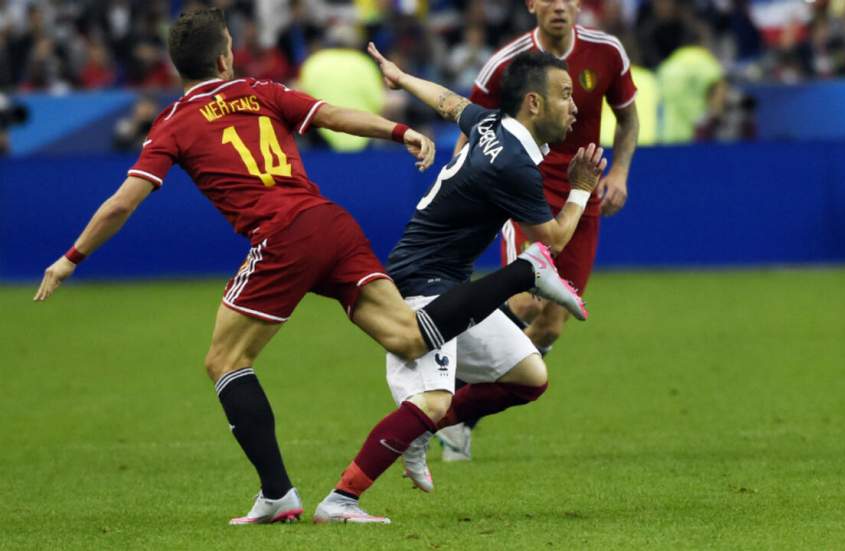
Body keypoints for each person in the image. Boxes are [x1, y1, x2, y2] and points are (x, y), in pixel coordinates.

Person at [32, 7, 585, 526]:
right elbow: (335, 116)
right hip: (330, 222)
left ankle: (277, 494)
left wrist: (68, 259)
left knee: (225, 358)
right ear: (225, 58)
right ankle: (520, 277)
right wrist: (397, 131)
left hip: (280, 236)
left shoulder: (174, 122)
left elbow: (123, 202)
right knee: (411, 339)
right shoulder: (258, 91)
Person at [311, 44, 606, 525]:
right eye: (565, 95)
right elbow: (551, 237)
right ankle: (340, 500)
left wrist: (402, 77)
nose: (575, 106)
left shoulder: (490, 125)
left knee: (529, 376)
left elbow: (448, 102)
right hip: (422, 286)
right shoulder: (513, 164)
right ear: (533, 103)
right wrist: (581, 187)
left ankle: (420, 434)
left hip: (446, 280)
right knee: (432, 399)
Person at [441, 0, 639, 461]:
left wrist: (622, 173)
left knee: (551, 324)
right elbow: (470, 123)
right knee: (527, 298)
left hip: (581, 198)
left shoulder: (607, 52)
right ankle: (440, 389)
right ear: (531, 5)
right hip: (522, 191)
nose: (558, 5)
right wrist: (460, 180)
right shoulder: (507, 63)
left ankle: (457, 411)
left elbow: (627, 115)